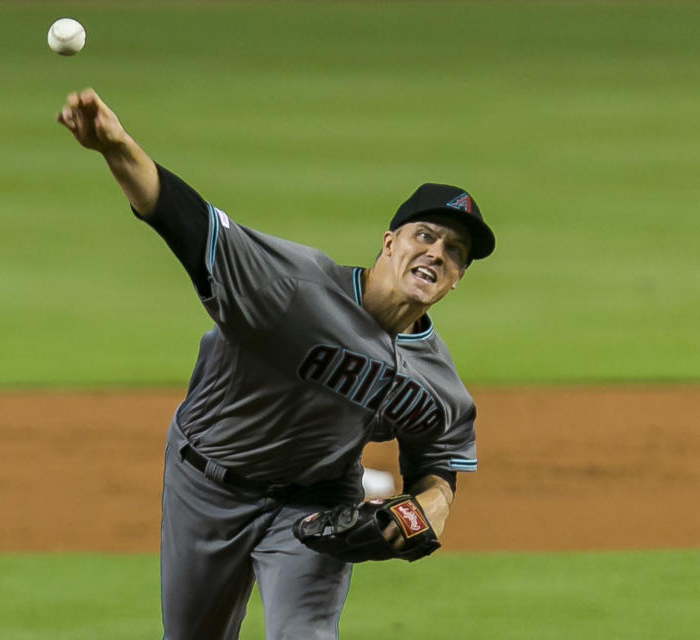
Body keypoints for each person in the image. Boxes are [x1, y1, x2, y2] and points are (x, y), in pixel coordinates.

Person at [57, 88, 495, 640]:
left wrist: (431, 505)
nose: (436, 253)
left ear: (457, 279)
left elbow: (438, 457)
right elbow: (186, 224)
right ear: (389, 243)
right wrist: (115, 147)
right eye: (424, 236)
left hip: (315, 506)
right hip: (207, 482)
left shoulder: (436, 382)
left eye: (455, 251)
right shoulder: (293, 289)